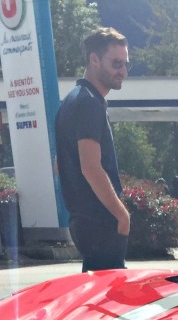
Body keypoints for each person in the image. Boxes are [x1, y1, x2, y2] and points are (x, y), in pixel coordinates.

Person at [55, 27, 130, 271]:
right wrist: (121, 215)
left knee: (98, 301)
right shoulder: (88, 103)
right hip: (99, 223)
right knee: (109, 301)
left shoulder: (72, 100)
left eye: (126, 64)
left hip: (85, 221)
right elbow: (90, 167)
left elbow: (59, 164)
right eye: (116, 63)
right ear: (94, 59)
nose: (123, 71)